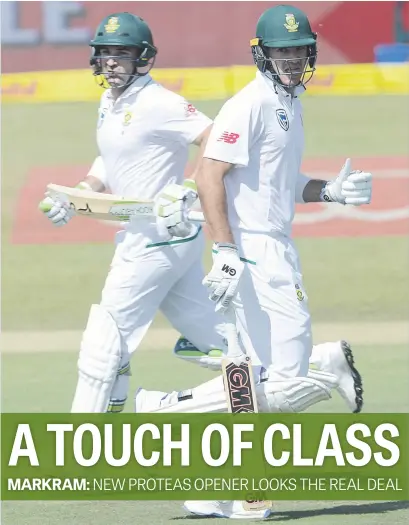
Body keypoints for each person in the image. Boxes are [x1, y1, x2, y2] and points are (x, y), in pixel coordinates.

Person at [40, 11, 362, 422]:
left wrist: (186, 190)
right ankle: (319, 364)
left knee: (105, 341)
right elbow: (113, 157)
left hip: (159, 239)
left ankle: (84, 443)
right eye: (106, 55)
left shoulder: (160, 102)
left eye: (123, 54)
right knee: (231, 347)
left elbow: (213, 150)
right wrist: (81, 193)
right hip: (166, 238)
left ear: (144, 57)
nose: (113, 62)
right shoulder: (109, 102)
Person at [139, 4, 371, 520]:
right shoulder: (252, 102)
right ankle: (172, 409)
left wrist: (329, 189)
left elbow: (276, 183)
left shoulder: (288, 101)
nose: (290, 60)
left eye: (297, 51)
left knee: (248, 376)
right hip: (254, 250)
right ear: (261, 55)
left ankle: (221, 481)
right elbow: (208, 176)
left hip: (267, 243)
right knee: (288, 381)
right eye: (280, 52)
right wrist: (224, 251)